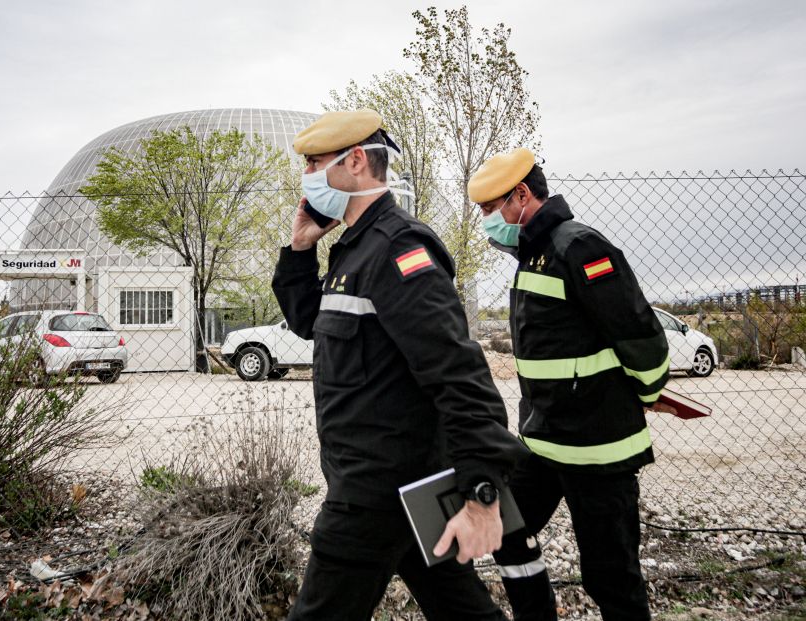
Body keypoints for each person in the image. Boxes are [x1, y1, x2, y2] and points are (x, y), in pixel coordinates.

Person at [272, 109, 530, 621]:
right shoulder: (354, 249)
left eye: (315, 163)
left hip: (372, 495)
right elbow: (311, 322)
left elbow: (459, 373)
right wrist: (301, 250)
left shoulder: (398, 249)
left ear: (356, 162)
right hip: (407, 488)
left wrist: (482, 492)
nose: (307, 176)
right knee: (461, 608)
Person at [468, 147, 673, 621]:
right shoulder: (533, 256)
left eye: (489, 208)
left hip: (598, 452)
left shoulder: (577, 246)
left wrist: (647, 392)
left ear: (521, 195)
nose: (485, 221)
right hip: (544, 445)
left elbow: (641, 336)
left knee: (610, 577)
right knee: (504, 530)